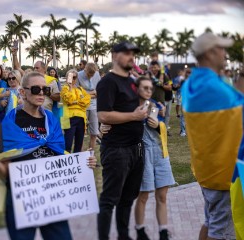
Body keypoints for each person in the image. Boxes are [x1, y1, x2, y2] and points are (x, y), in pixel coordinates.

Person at [0, 71, 97, 240]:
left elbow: (60, 160)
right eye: (36, 89)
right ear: (22, 92)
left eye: (46, 90)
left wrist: (82, 164)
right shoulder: (10, 123)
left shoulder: (51, 120)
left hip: (51, 196)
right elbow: (5, 171)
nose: (42, 93)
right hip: (21, 199)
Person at [182, 32, 244, 240]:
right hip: (224, 173)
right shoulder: (217, 89)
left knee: (211, 222)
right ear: (210, 53)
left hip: (205, 169)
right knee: (222, 231)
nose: (225, 54)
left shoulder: (190, 85)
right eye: (221, 49)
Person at [96, 41, 148, 240]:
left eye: (133, 53)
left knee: (128, 199)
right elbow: (103, 115)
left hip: (136, 148)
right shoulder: (108, 82)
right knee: (109, 200)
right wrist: (134, 117)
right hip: (117, 150)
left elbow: (138, 105)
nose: (131, 57)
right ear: (115, 55)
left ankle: (123, 236)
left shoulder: (133, 82)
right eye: (126, 53)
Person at [132, 77, 175, 240]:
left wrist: (158, 125)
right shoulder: (130, 108)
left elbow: (163, 129)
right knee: (143, 195)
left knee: (162, 195)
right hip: (143, 155)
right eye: (145, 88)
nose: (149, 91)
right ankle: (140, 230)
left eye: (150, 88)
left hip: (160, 153)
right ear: (137, 89)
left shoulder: (156, 106)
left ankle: (163, 232)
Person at [60, 69, 91, 153]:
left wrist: (76, 102)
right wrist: (70, 87)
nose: (73, 79)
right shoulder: (65, 89)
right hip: (70, 118)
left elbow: (87, 100)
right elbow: (68, 100)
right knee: (68, 143)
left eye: (74, 77)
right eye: (71, 77)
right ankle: (66, 162)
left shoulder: (80, 89)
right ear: (67, 78)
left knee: (79, 143)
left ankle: (76, 163)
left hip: (81, 118)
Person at [77, 62, 102, 149]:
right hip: (82, 106)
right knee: (80, 133)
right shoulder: (78, 75)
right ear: (85, 70)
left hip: (94, 106)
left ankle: (90, 156)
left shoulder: (97, 74)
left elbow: (99, 91)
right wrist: (92, 93)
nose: (91, 76)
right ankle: (80, 157)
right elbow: (77, 94)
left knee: (94, 132)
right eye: (89, 74)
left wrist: (87, 94)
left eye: (93, 74)